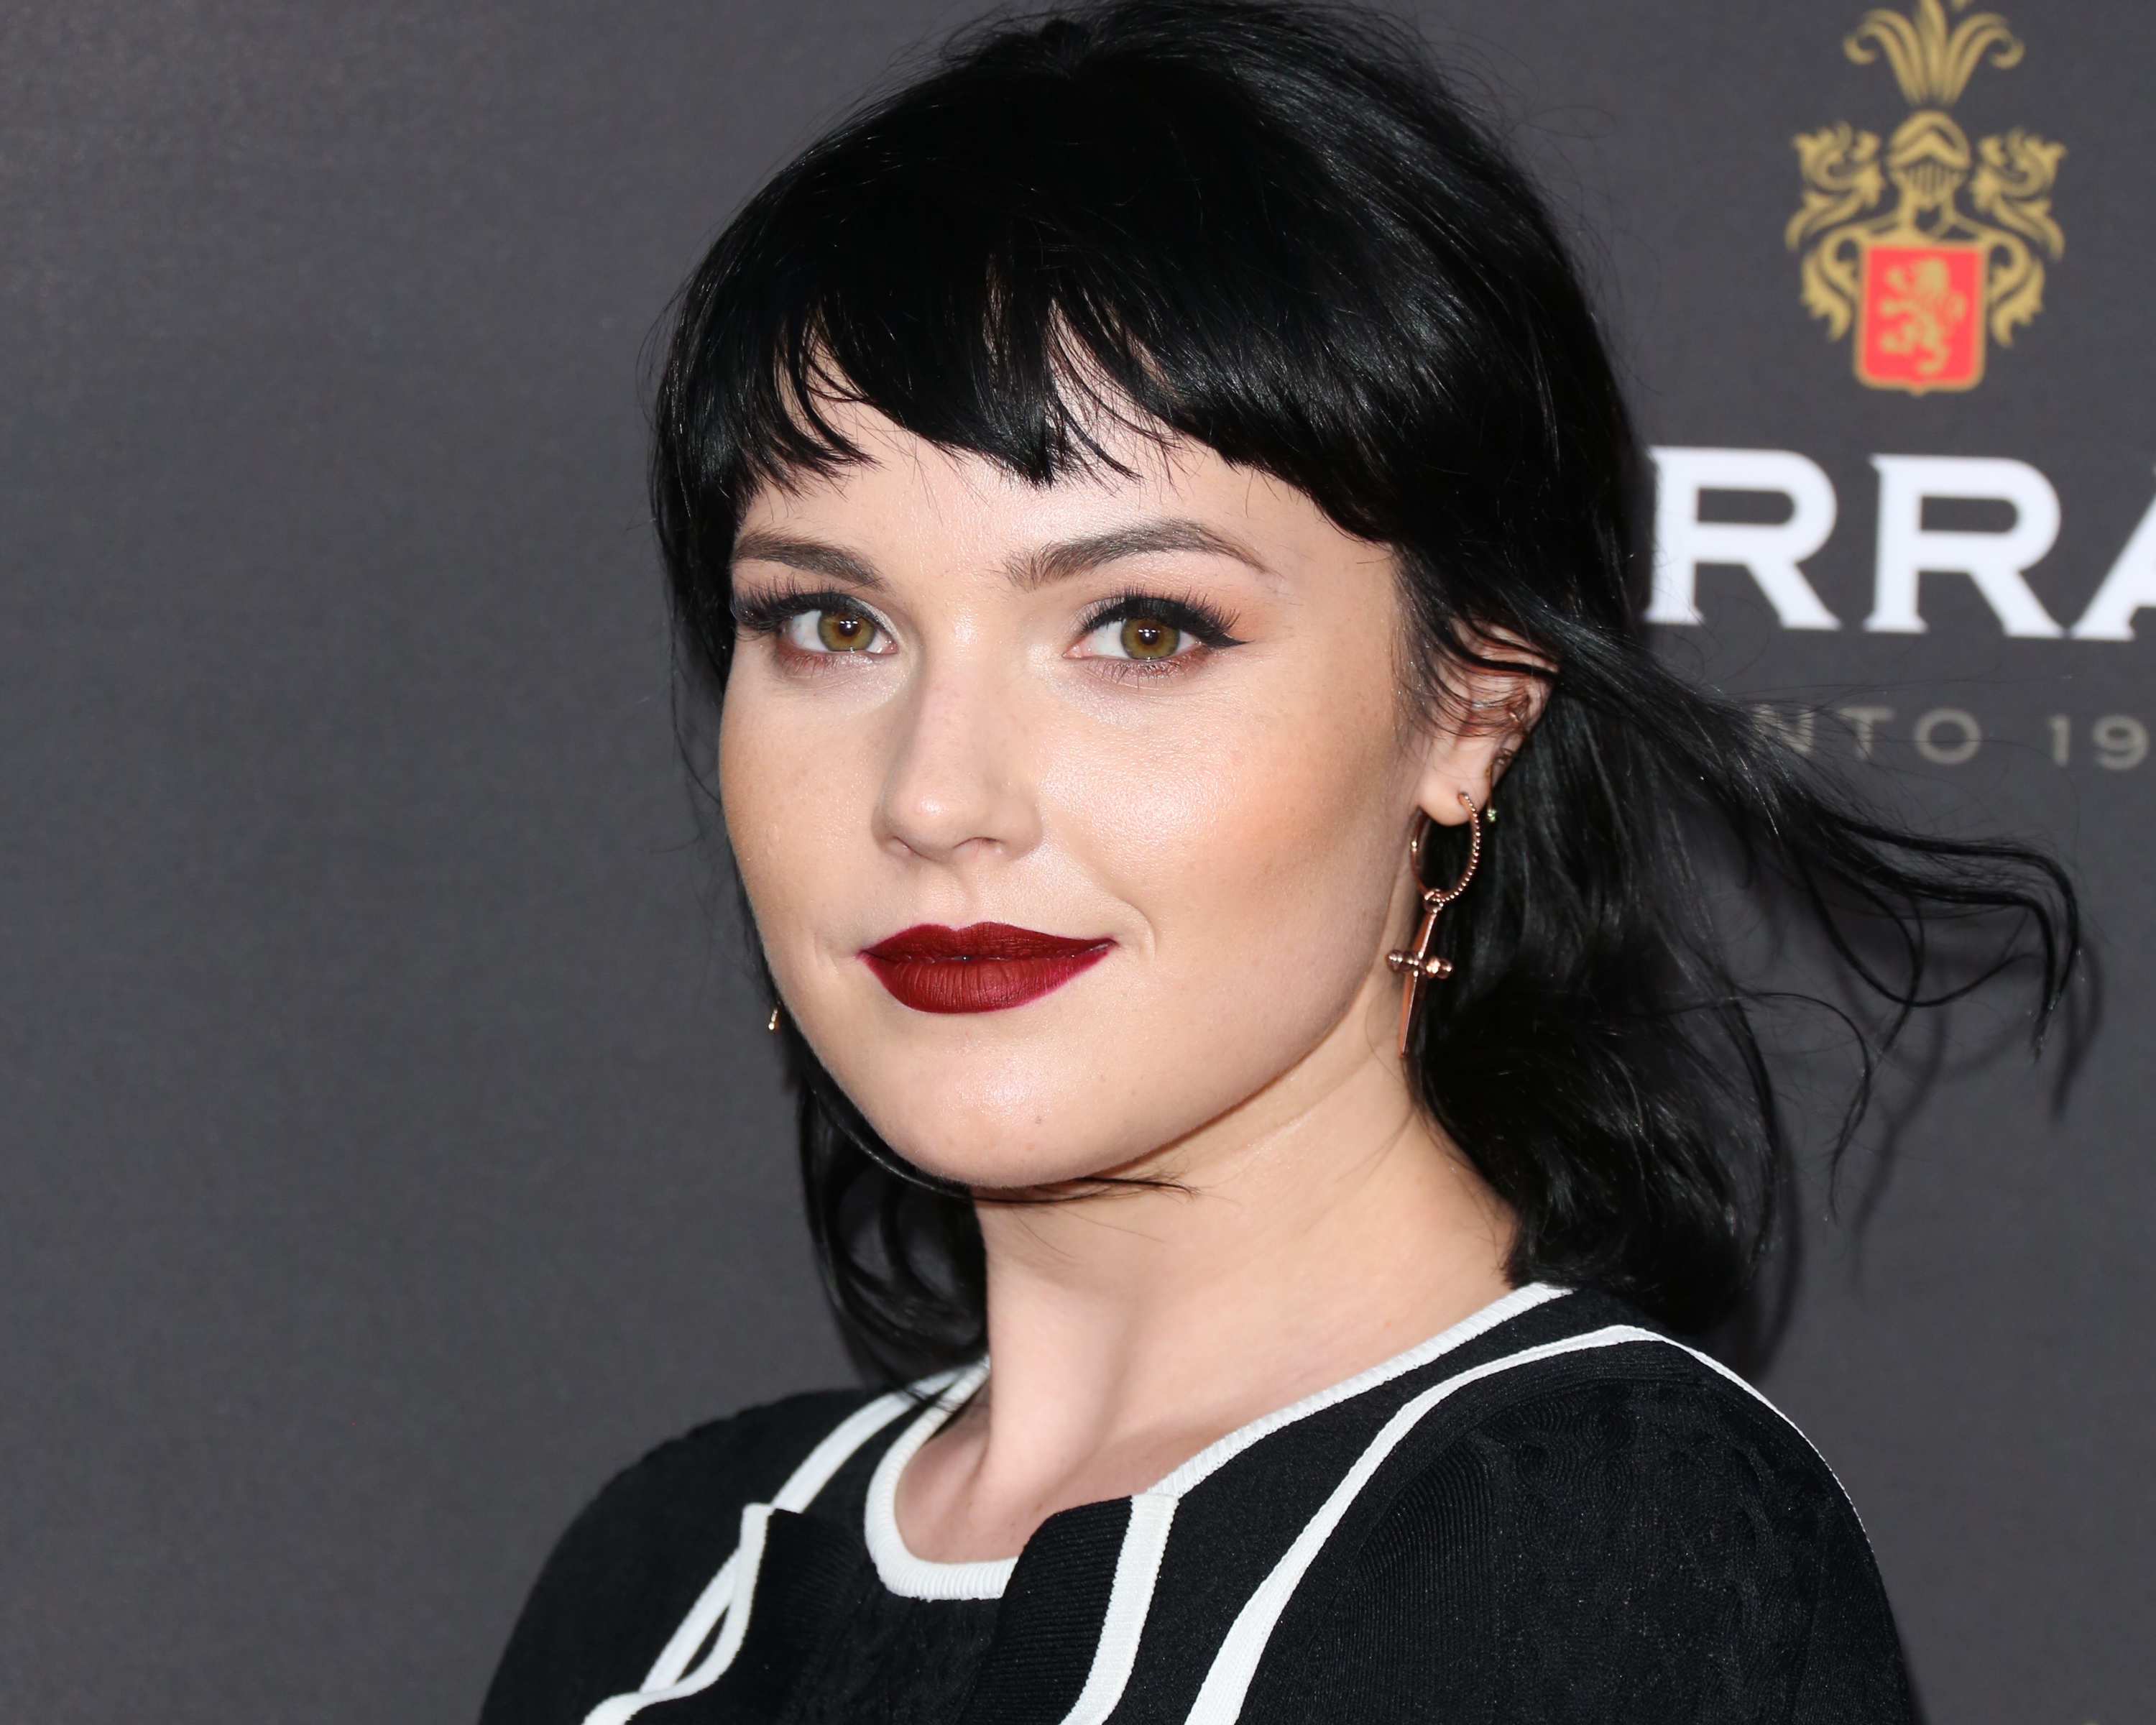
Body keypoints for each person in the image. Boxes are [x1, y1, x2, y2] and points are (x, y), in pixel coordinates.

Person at [479, 3, 2074, 1720]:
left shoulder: (1586, 1552)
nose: (935, 796)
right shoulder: (671, 1582)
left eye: (1142, 627)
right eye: (833, 621)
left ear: (1472, 709)